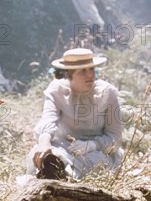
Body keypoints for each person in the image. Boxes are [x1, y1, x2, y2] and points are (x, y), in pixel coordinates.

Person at [26, 48, 123, 180]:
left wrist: (91, 145)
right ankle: (53, 170)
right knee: (48, 154)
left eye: (92, 69)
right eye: (83, 71)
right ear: (68, 74)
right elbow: (48, 120)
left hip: (96, 151)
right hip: (64, 147)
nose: (90, 75)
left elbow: (115, 138)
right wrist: (44, 142)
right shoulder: (57, 90)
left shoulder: (107, 93)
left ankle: (66, 178)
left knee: (94, 161)